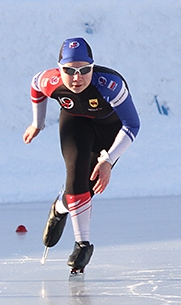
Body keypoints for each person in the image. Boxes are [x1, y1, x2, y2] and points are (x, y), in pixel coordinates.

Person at [23, 37, 140, 275]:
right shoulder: (51, 81)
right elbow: (36, 86)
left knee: (86, 188)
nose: (77, 78)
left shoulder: (110, 85)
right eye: (69, 71)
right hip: (75, 124)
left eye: (84, 70)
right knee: (75, 175)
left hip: (110, 130)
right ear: (59, 69)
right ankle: (82, 246)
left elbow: (132, 124)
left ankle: (59, 207)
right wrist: (38, 123)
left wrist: (108, 161)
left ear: (93, 67)